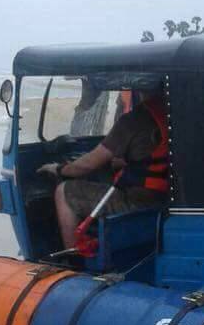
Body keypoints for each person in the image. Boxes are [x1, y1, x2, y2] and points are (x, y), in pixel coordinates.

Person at [37, 82, 169, 248]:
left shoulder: (134, 120)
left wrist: (59, 168)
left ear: (138, 86)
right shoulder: (172, 114)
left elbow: (85, 166)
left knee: (63, 191)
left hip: (138, 203)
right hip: (166, 200)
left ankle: (73, 256)